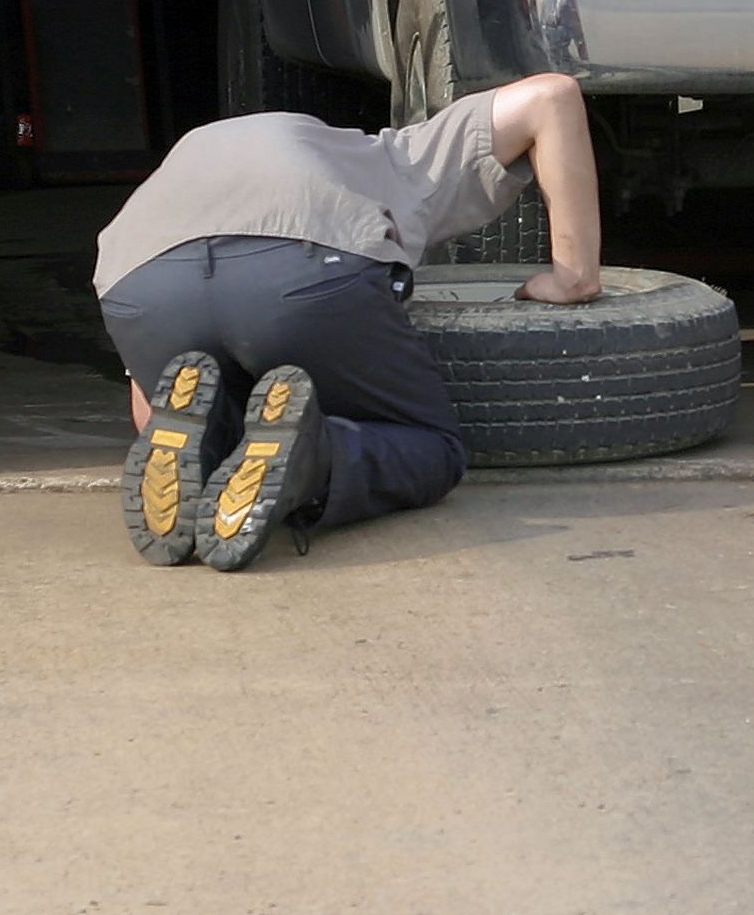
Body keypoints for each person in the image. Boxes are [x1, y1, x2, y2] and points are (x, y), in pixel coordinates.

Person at [96, 73, 603, 570]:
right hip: (302, 270)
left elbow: (150, 401)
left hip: (140, 285)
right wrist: (573, 276)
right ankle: (317, 457)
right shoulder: (400, 155)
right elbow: (551, 95)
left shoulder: (186, 167)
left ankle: (212, 453)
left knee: (208, 409)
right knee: (432, 448)